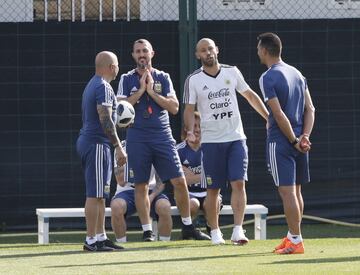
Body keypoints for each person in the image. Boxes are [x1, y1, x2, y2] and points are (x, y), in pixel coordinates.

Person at [117, 39, 210, 241]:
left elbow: (175, 108)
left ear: (152, 53)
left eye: (145, 51)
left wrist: (152, 92)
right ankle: (147, 231)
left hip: (162, 135)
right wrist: (141, 91)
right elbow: (120, 107)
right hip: (137, 136)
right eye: (138, 51)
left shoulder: (163, 77)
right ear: (133, 55)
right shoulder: (126, 78)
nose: (142, 54)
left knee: (178, 180)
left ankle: (187, 227)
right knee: (141, 184)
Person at [183, 38, 269, 245]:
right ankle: (215, 233)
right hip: (211, 142)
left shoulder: (232, 72)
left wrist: (269, 118)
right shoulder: (193, 80)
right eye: (203, 51)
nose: (208, 53)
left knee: (239, 183)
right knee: (213, 189)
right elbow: (188, 109)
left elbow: (249, 95)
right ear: (198, 55)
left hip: (236, 138)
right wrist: (190, 131)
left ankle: (238, 231)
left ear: (217, 50)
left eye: (210, 48)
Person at [257, 32, 315, 254]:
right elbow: (310, 109)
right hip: (301, 142)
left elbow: (278, 114)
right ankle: (293, 236)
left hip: (282, 142)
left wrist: (292, 140)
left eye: (258, 49)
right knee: (296, 191)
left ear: (264, 50)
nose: (257, 52)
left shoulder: (267, 77)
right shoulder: (298, 73)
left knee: (287, 192)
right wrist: (304, 137)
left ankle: (296, 241)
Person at [76, 51, 126, 252]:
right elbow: (105, 119)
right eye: (117, 65)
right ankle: (90, 240)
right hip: (96, 143)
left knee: (101, 193)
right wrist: (119, 147)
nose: (118, 69)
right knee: (94, 193)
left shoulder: (93, 84)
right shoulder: (103, 86)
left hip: (98, 143)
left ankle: (100, 236)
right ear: (112, 67)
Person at [111, 141, 172, 242]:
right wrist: (133, 158)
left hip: (150, 190)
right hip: (127, 190)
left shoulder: (154, 143)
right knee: (116, 206)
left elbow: (161, 182)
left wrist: (151, 196)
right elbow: (120, 181)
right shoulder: (121, 147)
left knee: (164, 206)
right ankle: (122, 244)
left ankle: (164, 244)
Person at [176, 111, 222, 234]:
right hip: (189, 194)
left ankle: (211, 227)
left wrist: (193, 176)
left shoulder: (210, 147)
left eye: (199, 126)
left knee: (211, 203)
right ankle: (188, 230)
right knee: (193, 204)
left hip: (209, 192)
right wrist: (205, 175)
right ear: (186, 128)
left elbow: (217, 175)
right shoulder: (178, 150)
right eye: (194, 126)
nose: (197, 130)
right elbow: (182, 180)